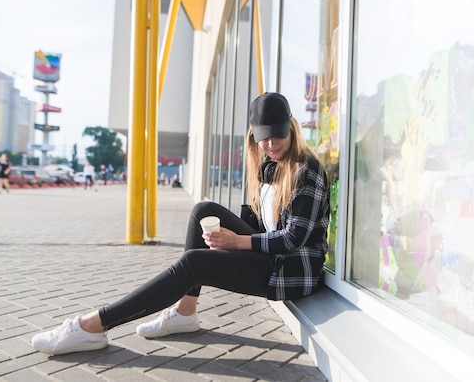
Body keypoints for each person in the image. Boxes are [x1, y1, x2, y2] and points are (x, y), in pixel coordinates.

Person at [30, 92, 330, 356]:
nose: (270, 143)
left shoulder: (307, 170)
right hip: (272, 256)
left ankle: (92, 325)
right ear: (252, 134)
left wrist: (236, 242)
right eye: (263, 136)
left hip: (291, 271)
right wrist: (225, 233)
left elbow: (293, 239)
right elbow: (254, 218)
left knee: (194, 263)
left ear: (291, 128)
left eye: (277, 135)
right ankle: (185, 312)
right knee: (203, 210)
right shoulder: (269, 164)